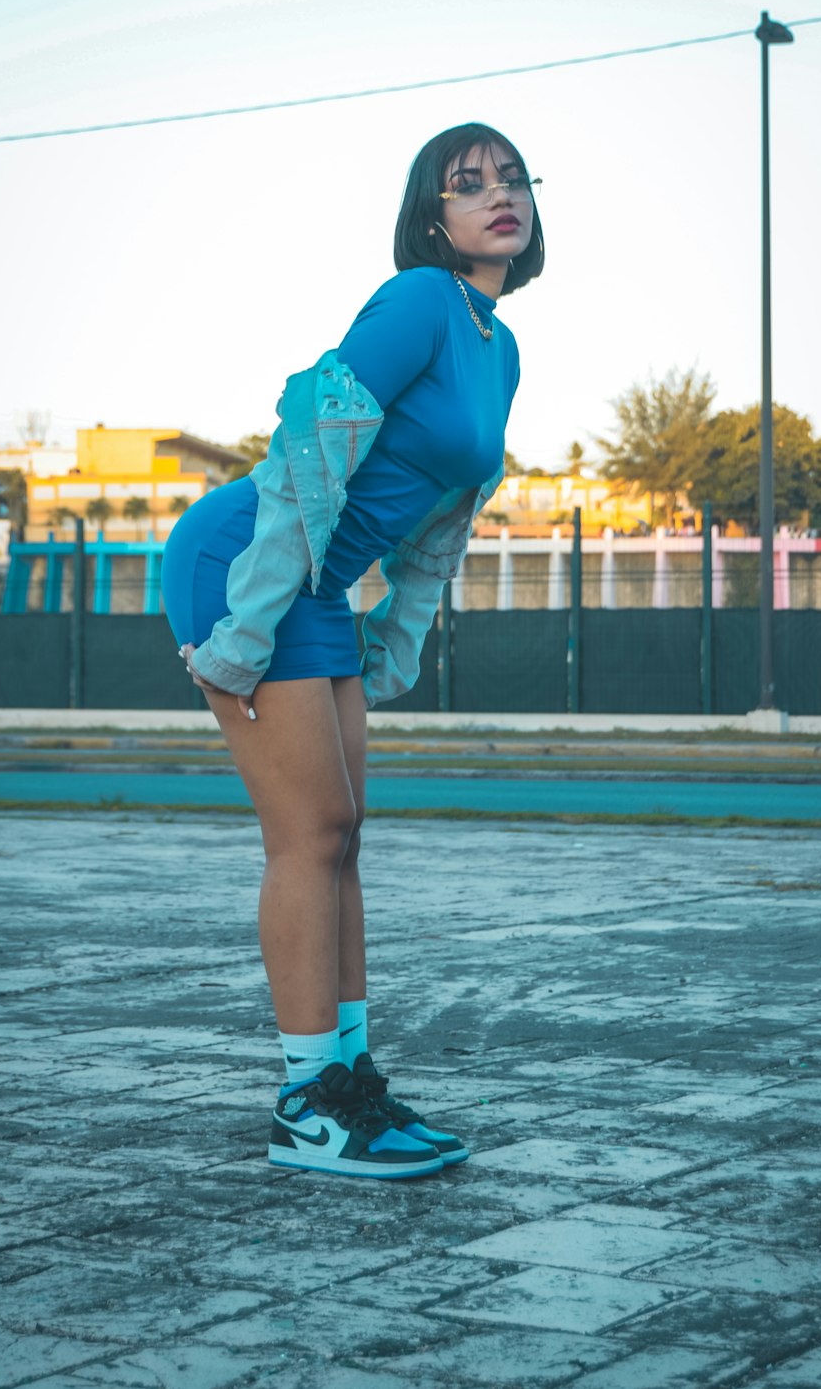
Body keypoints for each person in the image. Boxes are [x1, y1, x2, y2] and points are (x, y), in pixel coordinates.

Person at [161, 121, 544, 1180]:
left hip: (317, 587)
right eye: (467, 185)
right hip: (246, 560)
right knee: (310, 831)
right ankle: (304, 1107)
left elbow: (441, 521)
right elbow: (311, 449)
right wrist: (244, 627)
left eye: (512, 179)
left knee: (346, 838)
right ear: (433, 217)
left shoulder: (497, 344)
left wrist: (391, 640)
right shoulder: (419, 301)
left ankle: (350, 1083)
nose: (496, 196)